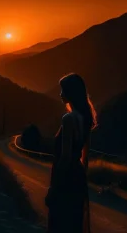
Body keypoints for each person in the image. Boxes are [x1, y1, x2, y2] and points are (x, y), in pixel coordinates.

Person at [45, 73, 97, 233]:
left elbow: (66, 157)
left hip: (66, 178)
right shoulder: (86, 118)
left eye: (63, 91)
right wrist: (81, 179)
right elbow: (84, 156)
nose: (60, 94)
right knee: (74, 224)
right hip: (78, 177)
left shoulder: (68, 119)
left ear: (71, 93)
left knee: (60, 223)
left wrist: (54, 188)